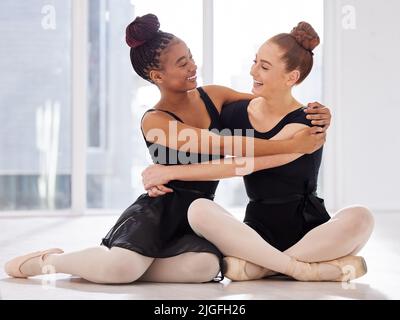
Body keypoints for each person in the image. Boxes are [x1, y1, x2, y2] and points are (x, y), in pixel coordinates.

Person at [4, 15, 328, 284]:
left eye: (191, 57)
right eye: (182, 63)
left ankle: (134, 267)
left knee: (206, 268)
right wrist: (288, 145)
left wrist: (316, 115)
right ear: (158, 75)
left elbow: (273, 104)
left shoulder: (214, 96)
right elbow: (219, 144)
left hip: (200, 213)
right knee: (121, 270)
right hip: (160, 210)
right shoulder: (155, 121)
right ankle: (53, 261)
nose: (193, 67)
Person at [141, 22, 374, 282]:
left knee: (361, 217)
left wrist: (168, 172)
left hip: (310, 227)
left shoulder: (307, 121)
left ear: (291, 77)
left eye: (264, 67)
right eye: (255, 62)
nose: (253, 71)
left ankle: (263, 267)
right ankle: (306, 267)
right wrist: (161, 166)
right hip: (256, 230)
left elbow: (240, 164)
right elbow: (206, 139)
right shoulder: (234, 113)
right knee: (199, 210)